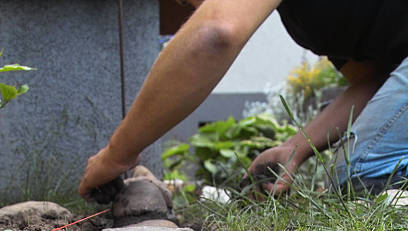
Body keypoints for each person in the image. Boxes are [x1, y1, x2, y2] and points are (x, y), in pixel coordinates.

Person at [78, 0, 408, 200]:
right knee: (359, 170)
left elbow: (215, 33)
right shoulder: (305, 16)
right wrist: (297, 148)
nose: (190, 12)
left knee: (367, 169)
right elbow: (374, 82)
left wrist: (116, 155)